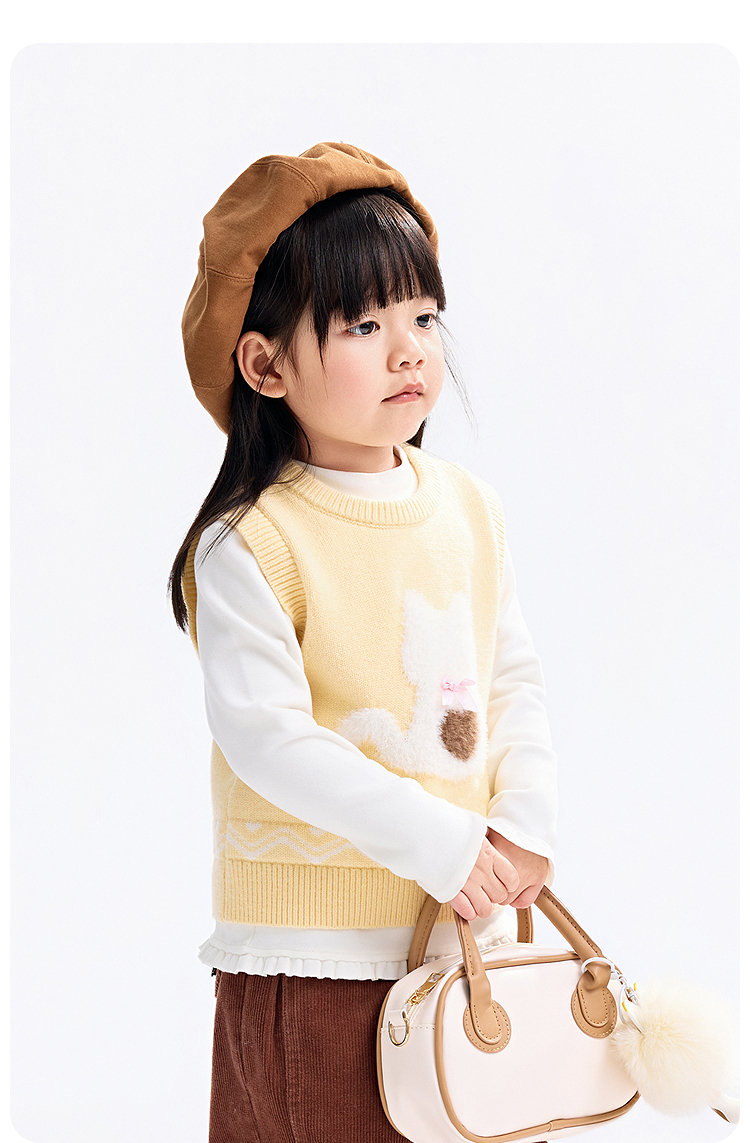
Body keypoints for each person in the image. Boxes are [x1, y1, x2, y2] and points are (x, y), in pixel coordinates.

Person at [170, 141, 557, 1143]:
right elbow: (269, 739)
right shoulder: (254, 541)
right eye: (363, 324)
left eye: (424, 316)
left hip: (455, 950)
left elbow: (509, 680)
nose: (410, 351)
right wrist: (444, 843)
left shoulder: (467, 509)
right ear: (265, 364)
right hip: (315, 962)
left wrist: (523, 823)